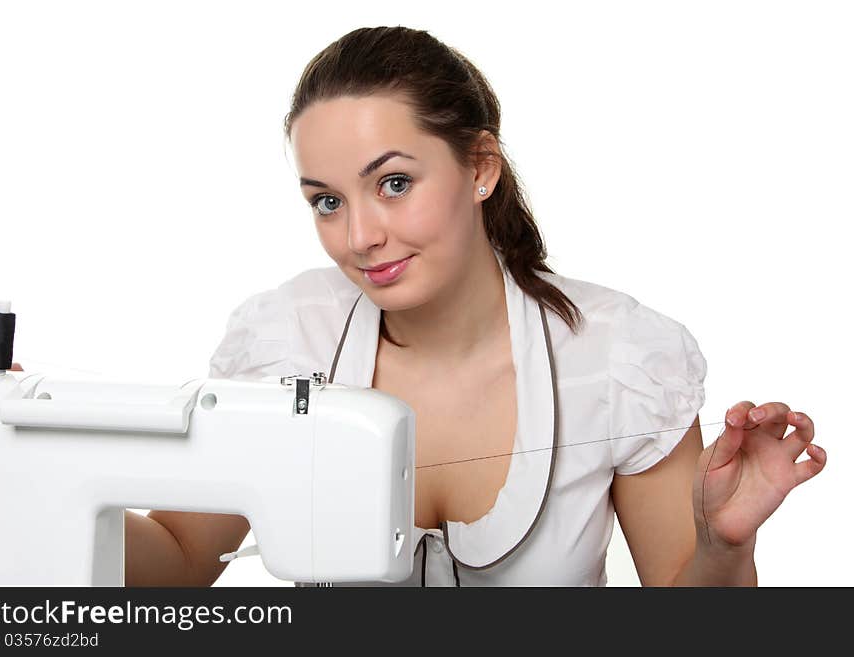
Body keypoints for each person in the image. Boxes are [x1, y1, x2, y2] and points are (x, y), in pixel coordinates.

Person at [124, 25, 826, 587]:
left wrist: (723, 545)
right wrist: (20, 477)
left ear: (481, 168)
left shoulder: (617, 357)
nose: (361, 236)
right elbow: (179, 561)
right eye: (327, 201)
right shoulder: (288, 340)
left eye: (394, 182)